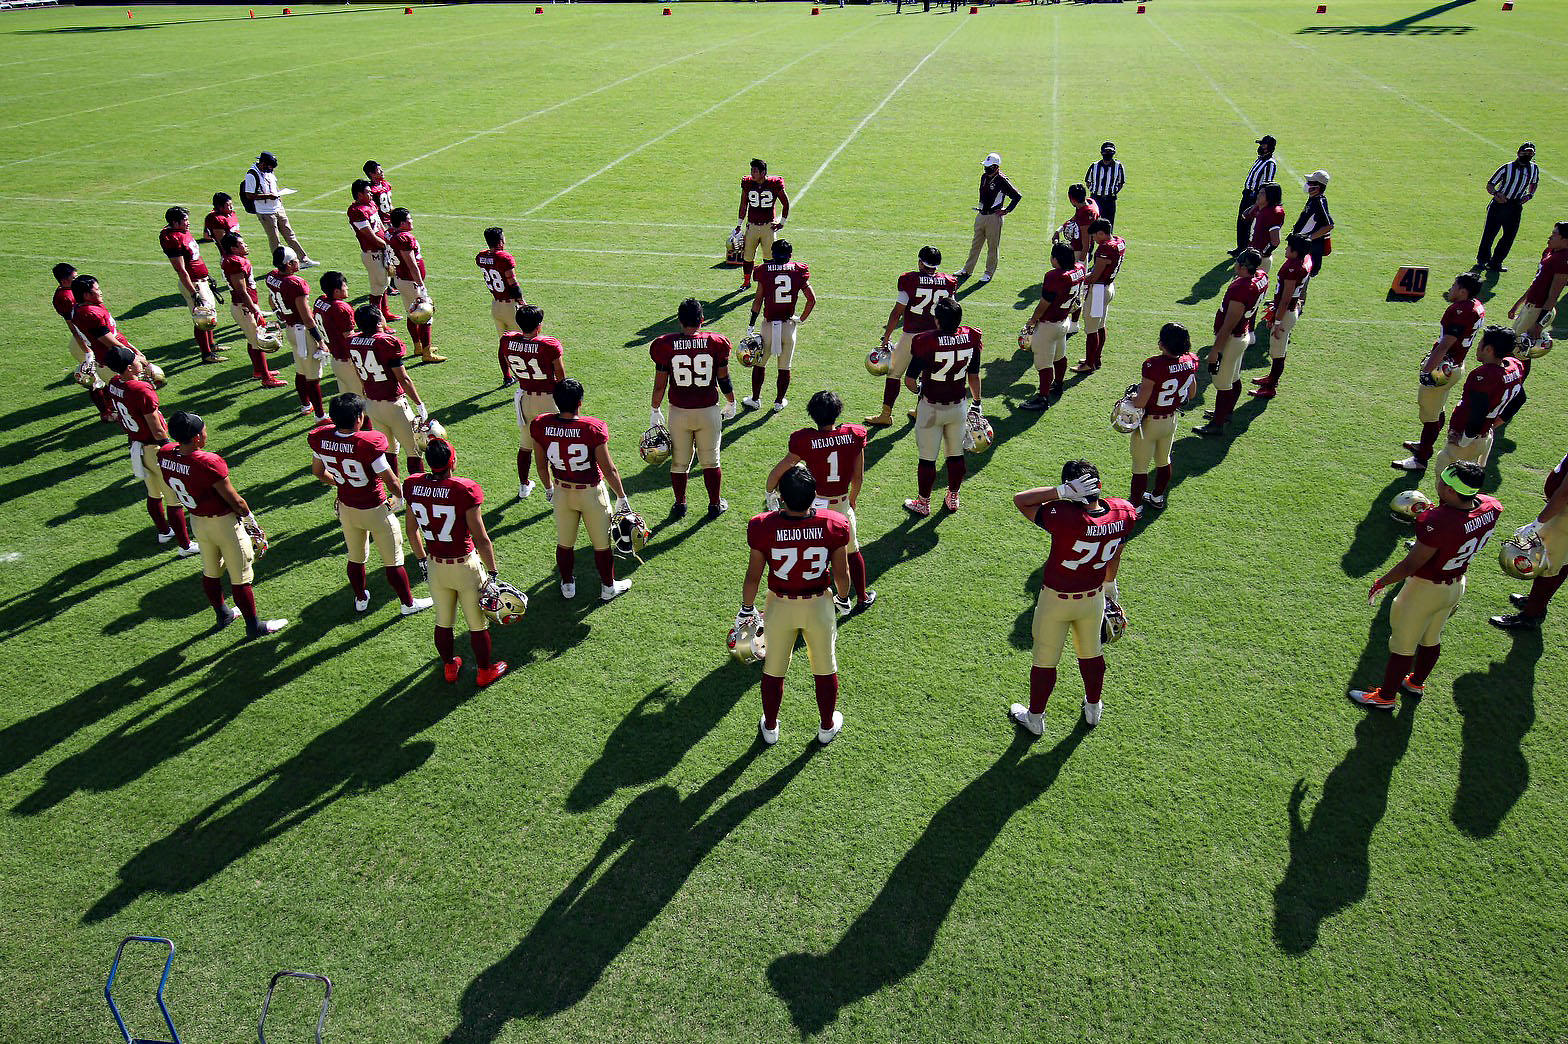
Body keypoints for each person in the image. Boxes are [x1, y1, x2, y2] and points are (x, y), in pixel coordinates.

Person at [1354, 461, 1500, 709]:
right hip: (1455, 585)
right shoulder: (1490, 507)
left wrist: (1381, 582)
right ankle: (1415, 682)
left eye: (1442, 482)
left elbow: (1411, 564)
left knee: (1402, 643)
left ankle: (1386, 697)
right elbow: (1465, 515)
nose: (1438, 485)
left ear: (1452, 490)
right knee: (1431, 637)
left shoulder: (1439, 521)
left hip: (1425, 590)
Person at [1010, 460, 1136, 732]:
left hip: (1056, 600)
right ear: (1099, 486)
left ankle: (1035, 719)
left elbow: (1021, 500)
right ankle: (1093, 708)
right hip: (1093, 599)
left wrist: (1060, 491)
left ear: (1073, 491)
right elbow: (1118, 548)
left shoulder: (1064, 515)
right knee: (1091, 655)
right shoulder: (1122, 512)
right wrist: (1110, 580)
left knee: (1044, 660)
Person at [738, 463, 853, 746]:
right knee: (825, 667)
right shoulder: (833, 523)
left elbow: (754, 575)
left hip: (780, 605)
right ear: (814, 496)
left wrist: (747, 607)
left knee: (774, 669)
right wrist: (842, 598)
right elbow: (842, 574)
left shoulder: (762, 525)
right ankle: (826, 726)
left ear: (781, 496)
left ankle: (771, 726)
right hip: (818, 606)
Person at [158, 410, 288, 639]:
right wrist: (250, 521)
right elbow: (235, 500)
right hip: (224, 524)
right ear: (197, 437)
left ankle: (223, 614)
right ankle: (254, 626)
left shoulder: (166, 453)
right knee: (241, 578)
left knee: (211, 571)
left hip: (197, 521)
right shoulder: (207, 461)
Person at [309, 393, 433, 617]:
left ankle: (360, 598)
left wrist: (340, 482)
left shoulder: (322, 438)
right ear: (358, 418)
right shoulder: (367, 443)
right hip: (375, 509)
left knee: (355, 557)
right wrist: (399, 498)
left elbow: (317, 472)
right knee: (394, 561)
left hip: (347, 508)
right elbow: (391, 480)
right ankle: (408, 603)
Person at [404, 436, 509, 686]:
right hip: (464, 566)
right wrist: (493, 573)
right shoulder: (464, 489)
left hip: (435, 564)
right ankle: (484, 671)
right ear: (452, 461)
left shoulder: (413, 485)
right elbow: (481, 538)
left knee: (443, 621)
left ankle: (450, 666)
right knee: (477, 623)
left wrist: (421, 560)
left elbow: (411, 530)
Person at [529, 378, 634, 602]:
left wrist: (548, 488)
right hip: (590, 493)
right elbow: (609, 468)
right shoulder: (591, 427)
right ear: (580, 402)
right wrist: (622, 496)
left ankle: (567, 584)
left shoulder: (541, 424)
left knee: (565, 542)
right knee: (602, 544)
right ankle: (608, 587)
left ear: (556, 401)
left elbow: (539, 464)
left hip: (562, 491)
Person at [768, 391, 875, 609]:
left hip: (814, 504)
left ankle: (805, 595)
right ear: (838, 412)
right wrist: (852, 500)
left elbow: (783, 466)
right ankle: (861, 597)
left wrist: (770, 489)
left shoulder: (805, 439)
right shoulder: (854, 435)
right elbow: (858, 477)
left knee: (810, 548)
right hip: (841, 502)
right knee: (851, 551)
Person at [649, 297, 737, 519]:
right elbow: (723, 378)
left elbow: (660, 384)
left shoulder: (665, 345)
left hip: (679, 412)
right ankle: (714, 504)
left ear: (679, 320)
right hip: (708, 410)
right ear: (702, 319)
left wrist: (654, 409)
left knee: (679, 461)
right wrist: (731, 400)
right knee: (710, 460)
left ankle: (680, 504)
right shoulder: (716, 342)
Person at [1390, 272, 1484, 472]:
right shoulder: (1476, 306)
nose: (1450, 289)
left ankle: (1421, 458)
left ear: (1463, 291)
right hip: (1456, 364)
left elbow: (1446, 343)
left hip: (1444, 368)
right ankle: (1425, 444)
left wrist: (1428, 368)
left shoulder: (1460, 310)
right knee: (1435, 409)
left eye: (1454, 285)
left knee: (1429, 414)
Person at [102, 345, 192, 553]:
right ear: (128, 368)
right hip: (154, 447)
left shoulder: (115, 383)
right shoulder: (140, 389)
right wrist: (169, 448)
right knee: (174, 498)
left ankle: (163, 531)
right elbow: (157, 428)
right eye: (134, 360)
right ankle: (185, 546)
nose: (139, 362)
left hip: (136, 445)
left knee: (153, 493)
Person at [902, 298, 981, 517]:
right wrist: (977, 403)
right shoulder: (971, 337)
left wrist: (920, 389)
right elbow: (973, 376)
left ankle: (923, 502)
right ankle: (953, 496)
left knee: (927, 457)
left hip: (931, 408)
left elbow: (909, 380)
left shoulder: (924, 341)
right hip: (958, 407)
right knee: (955, 455)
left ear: (936, 320)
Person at [867, 245, 956, 427]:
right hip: (935, 337)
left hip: (913, 336)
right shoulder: (948, 281)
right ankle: (920, 411)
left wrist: (887, 336)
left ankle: (886, 415)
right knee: (927, 375)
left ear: (920, 262)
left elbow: (897, 312)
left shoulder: (910, 280)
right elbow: (952, 311)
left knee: (894, 373)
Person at [1424, 325, 1524, 486]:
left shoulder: (1484, 375)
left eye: (1481, 343)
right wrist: (1494, 423)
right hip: (1484, 437)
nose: (1477, 347)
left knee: (1448, 482)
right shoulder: (1514, 366)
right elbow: (1520, 399)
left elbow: (1479, 412)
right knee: (1464, 482)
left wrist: (1464, 441)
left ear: (1489, 349)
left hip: (1467, 440)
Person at [346, 304, 429, 478]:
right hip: (394, 404)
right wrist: (419, 403)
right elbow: (404, 379)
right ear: (378, 322)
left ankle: (396, 494)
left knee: (389, 450)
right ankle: (417, 493)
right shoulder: (385, 342)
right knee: (414, 451)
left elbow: (358, 372)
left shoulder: (352, 341)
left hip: (372, 404)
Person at [1490, 447, 1568, 631]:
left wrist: (1539, 522)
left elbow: (1565, 493)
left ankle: (1530, 615)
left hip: (1564, 516)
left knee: (1548, 564)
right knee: (1562, 563)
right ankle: (1537, 602)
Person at [1193, 248, 1268, 438]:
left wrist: (1215, 350)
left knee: (1222, 382)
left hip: (1232, 338)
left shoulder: (1241, 287)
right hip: (1242, 334)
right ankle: (1225, 413)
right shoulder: (1260, 276)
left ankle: (1217, 424)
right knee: (1233, 378)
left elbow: (1229, 323)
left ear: (1243, 266)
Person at [1126, 322, 1198, 514]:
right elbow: (1191, 394)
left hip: (1150, 422)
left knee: (1140, 467)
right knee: (1163, 459)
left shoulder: (1153, 365)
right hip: (1171, 419)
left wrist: (1134, 397)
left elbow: (1141, 402)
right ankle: (1157, 496)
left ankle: (1136, 506)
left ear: (1162, 343)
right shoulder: (1190, 361)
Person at [499, 304, 566, 499]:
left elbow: (505, 358)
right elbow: (561, 376)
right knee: (558, 441)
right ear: (539, 325)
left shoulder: (507, 340)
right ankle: (559, 486)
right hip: (549, 398)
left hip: (525, 397)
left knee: (526, 444)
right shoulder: (549, 345)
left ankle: (524, 485)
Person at [745, 239, 814, 413]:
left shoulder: (764, 271)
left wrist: (751, 324)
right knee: (784, 366)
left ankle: (755, 399)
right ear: (790, 255)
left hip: (768, 326)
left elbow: (758, 300)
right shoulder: (798, 271)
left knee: (760, 364)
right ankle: (778, 401)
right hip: (788, 326)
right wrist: (801, 319)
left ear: (772, 253)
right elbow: (812, 299)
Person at [1020, 243, 1087, 411]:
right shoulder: (1080, 268)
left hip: (1048, 324)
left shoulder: (1054, 276)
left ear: (1056, 259)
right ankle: (1058, 384)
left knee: (1043, 363)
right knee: (1059, 356)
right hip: (1064, 321)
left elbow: (1044, 303)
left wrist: (1032, 320)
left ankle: (1043, 398)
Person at [265, 247, 329, 421]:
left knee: (301, 370)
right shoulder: (296, 283)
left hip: (290, 328)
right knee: (313, 375)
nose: (298, 262)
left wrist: (279, 314)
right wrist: (320, 340)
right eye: (295, 260)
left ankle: (305, 405)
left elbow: (272, 300)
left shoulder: (272, 276)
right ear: (289, 263)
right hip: (302, 331)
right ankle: (320, 415)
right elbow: (307, 317)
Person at [217, 231, 285, 389]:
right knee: (258, 341)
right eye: (241, 243)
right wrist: (254, 309)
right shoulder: (234, 262)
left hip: (244, 306)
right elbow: (241, 290)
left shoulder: (234, 259)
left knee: (252, 339)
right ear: (233, 248)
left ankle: (259, 370)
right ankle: (266, 378)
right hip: (244, 307)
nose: (245, 245)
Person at [1250, 233, 1314, 400]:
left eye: (1288, 247)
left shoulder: (1293, 267)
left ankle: (1271, 387)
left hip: (1285, 313)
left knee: (1278, 351)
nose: (1285, 249)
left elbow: (1286, 297)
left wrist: (1277, 320)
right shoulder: (1303, 260)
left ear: (1295, 251)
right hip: (1289, 310)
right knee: (1278, 349)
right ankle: (1271, 378)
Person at [159, 206, 225, 364]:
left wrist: (207, 275)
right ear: (175, 223)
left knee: (209, 315)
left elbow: (195, 258)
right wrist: (193, 292)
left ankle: (211, 345)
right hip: (194, 283)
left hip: (201, 280)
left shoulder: (182, 232)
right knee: (202, 318)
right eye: (185, 220)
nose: (188, 223)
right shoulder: (172, 238)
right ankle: (206, 354)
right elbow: (180, 269)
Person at [51, 262, 110, 421]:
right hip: (84, 342)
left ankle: (109, 409)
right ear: (64, 281)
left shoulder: (67, 292)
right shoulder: (66, 297)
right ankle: (106, 412)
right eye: (74, 278)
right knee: (96, 378)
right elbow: (73, 327)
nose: (77, 280)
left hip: (86, 339)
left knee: (100, 376)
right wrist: (87, 351)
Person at [387, 207, 445, 363]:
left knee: (411, 314)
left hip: (402, 280)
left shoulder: (392, 233)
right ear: (402, 223)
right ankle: (427, 353)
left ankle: (418, 346)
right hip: (411, 282)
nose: (411, 221)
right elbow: (412, 264)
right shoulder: (404, 238)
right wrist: (421, 285)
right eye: (409, 219)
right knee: (426, 314)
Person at [955, 152, 1021, 285]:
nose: (986, 169)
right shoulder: (984, 177)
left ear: (996, 167)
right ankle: (967, 269)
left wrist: (1007, 210)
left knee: (992, 247)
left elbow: (1017, 196)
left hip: (993, 218)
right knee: (975, 244)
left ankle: (988, 273)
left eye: (989, 167)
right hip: (981, 215)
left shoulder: (1002, 180)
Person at [241, 151, 314, 266]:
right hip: (265, 212)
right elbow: (249, 195)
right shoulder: (252, 174)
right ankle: (280, 264)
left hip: (278, 208)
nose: (271, 169)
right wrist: (269, 196)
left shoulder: (269, 171)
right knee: (275, 240)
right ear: (263, 163)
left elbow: (273, 185)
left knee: (290, 235)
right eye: (269, 166)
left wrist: (279, 196)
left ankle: (303, 259)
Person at [1476, 143, 1540, 273]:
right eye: (1525, 152)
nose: (1527, 155)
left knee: (1509, 236)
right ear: (1519, 153)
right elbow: (1490, 184)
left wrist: (1529, 195)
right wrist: (1496, 194)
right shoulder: (1507, 168)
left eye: (1530, 153)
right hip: (1499, 205)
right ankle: (1482, 260)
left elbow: (1534, 183)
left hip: (1515, 206)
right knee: (1489, 234)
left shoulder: (1534, 168)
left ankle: (1496, 262)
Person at [1071, 219, 1125, 374]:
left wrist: (1077, 279)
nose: (1093, 239)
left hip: (1099, 290)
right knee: (1100, 325)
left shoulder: (1105, 249)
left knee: (1092, 329)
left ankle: (1089, 363)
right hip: (1109, 287)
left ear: (1102, 233)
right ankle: (1096, 358)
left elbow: (1094, 276)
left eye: (1095, 236)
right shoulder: (1119, 241)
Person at [70, 274, 141, 389]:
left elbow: (113, 335)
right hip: (115, 361)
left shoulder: (85, 308)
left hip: (114, 356)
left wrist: (133, 349)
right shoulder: (90, 314)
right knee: (136, 393)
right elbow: (109, 341)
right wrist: (133, 356)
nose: (101, 292)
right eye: (97, 289)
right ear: (87, 295)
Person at [347, 179, 399, 324]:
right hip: (372, 253)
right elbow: (368, 235)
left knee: (384, 283)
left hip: (381, 250)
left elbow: (380, 226)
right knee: (378, 288)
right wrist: (386, 245)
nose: (371, 194)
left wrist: (388, 237)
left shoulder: (370, 204)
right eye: (367, 192)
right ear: (359, 194)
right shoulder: (356, 211)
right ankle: (377, 321)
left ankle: (385, 313)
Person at [1507, 220, 1568, 340]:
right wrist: (1518, 304)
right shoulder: (1549, 252)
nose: (1550, 237)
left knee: (1517, 345)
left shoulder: (1563, 260)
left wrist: (1539, 324)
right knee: (1515, 341)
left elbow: (1553, 296)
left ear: (1565, 240)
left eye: (1555, 234)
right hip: (1530, 305)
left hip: (1538, 309)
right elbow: (1536, 282)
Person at [737, 158, 789, 289]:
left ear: (763, 172)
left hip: (768, 226)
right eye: (751, 170)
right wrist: (739, 224)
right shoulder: (747, 183)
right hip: (752, 225)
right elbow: (743, 204)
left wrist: (782, 222)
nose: (752, 173)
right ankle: (746, 282)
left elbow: (785, 203)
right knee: (748, 256)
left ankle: (768, 281)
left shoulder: (774, 183)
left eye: (755, 171)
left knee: (769, 257)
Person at [313, 271, 362, 396]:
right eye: (344, 285)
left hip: (336, 359)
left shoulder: (320, 301)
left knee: (347, 398)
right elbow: (349, 338)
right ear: (336, 291)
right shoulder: (341, 308)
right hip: (347, 360)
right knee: (361, 399)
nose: (347, 288)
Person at [1233, 135, 1278, 257]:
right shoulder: (1260, 159)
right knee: (1241, 220)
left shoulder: (1270, 164)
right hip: (1247, 193)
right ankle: (1240, 247)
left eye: (1263, 145)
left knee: (1247, 221)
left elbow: (1267, 184)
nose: (1260, 147)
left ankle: (1244, 250)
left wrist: (1258, 201)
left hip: (1255, 196)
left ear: (1269, 147)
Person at [477, 226, 524, 337]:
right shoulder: (504, 258)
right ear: (500, 241)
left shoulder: (481, 257)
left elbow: (487, 256)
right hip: (510, 307)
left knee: (504, 345)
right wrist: (522, 301)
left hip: (496, 306)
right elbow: (513, 283)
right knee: (521, 342)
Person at [1291, 170, 1334, 278]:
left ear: (1318, 187)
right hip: (1302, 246)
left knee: (1300, 281)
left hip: (1309, 249)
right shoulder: (1313, 199)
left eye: (1310, 183)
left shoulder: (1319, 202)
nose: (1307, 185)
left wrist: (1309, 238)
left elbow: (1329, 225)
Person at [198, 191, 235, 303]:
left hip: (237, 252)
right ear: (219, 207)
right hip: (231, 257)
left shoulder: (231, 214)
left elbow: (207, 236)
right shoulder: (216, 219)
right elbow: (224, 243)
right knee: (239, 287)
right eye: (228, 205)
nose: (231, 207)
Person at [1241, 183, 1285, 273]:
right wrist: (1256, 205)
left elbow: (1275, 241)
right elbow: (1244, 216)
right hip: (1250, 252)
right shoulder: (1260, 208)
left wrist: (1263, 253)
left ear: (1270, 196)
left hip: (1259, 259)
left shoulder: (1274, 212)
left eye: (1262, 193)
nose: (1258, 195)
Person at [1084, 141, 1124, 228]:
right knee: (1093, 225)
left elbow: (1121, 183)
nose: (1108, 154)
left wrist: (1113, 192)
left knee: (1108, 226)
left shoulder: (1118, 166)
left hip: (1110, 200)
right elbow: (1088, 181)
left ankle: (1106, 242)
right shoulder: (1094, 166)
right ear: (1102, 153)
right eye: (1106, 152)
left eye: (1110, 152)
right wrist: (1094, 190)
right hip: (1096, 199)